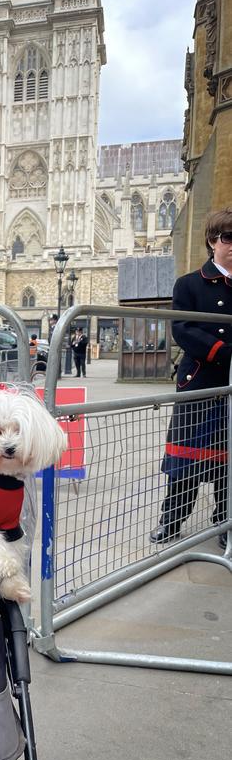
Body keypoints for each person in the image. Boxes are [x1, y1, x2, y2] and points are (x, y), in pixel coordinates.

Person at [150, 208, 232, 550]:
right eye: (228, 238)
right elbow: (182, 329)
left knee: (228, 465)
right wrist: (224, 351)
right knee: (187, 461)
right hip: (201, 384)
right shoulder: (189, 283)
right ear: (213, 241)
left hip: (231, 391)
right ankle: (172, 520)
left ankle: (225, 521)